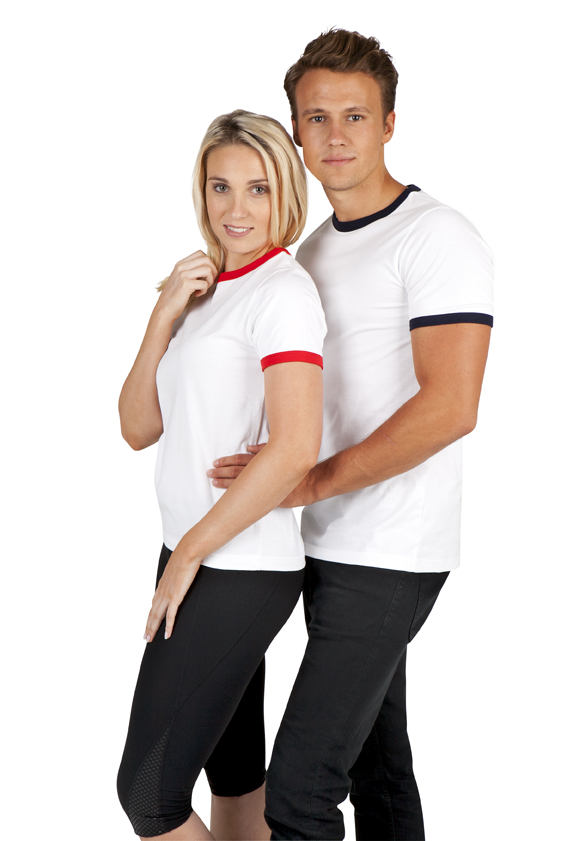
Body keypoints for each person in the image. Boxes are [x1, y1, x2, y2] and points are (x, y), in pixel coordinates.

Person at [208, 29, 494, 840]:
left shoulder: (436, 236)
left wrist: (307, 481)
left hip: (392, 548)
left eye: (355, 116)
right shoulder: (311, 250)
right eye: (316, 117)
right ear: (296, 131)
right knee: (378, 767)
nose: (334, 136)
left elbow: (451, 406)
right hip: (328, 541)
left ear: (389, 124)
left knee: (298, 794)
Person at [116, 109, 326, 840]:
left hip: (238, 566)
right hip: (193, 552)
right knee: (234, 776)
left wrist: (189, 557)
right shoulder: (209, 294)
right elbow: (137, 427)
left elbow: (295, 448)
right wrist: (164, 313)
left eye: (258, 188)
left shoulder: (283, 293)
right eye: (220, 186)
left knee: (148, 793)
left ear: (286, 193)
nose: (237, 208)